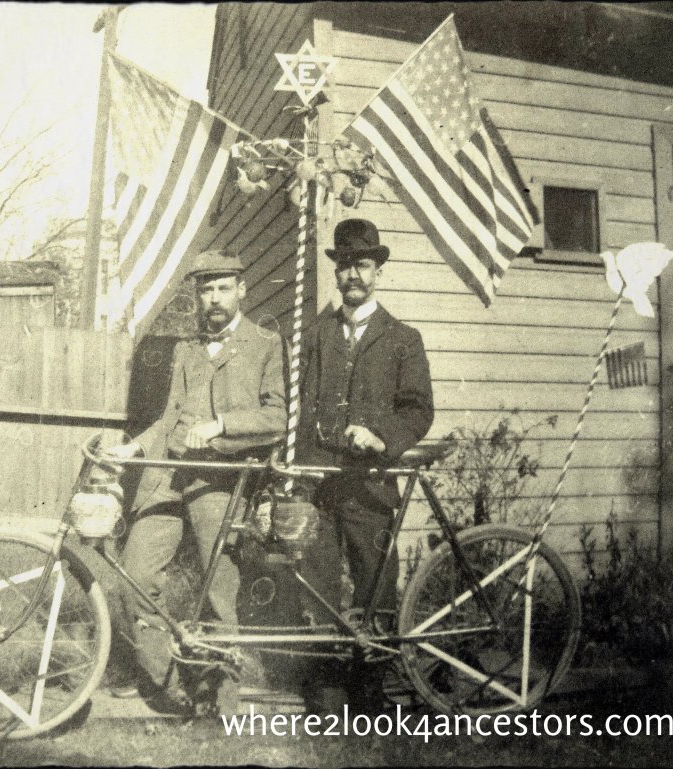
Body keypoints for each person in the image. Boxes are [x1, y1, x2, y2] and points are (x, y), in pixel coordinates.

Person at [105, 249, 287, 712]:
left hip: (222, 481)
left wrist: (221, 424)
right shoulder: (185, 350)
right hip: (170, 475)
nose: (214, 298)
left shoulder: (266, 343)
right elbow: (169, 420)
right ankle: (171, 690)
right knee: (136, 575)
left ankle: (223, 703)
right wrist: (132, 448)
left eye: (223, 287)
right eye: (206, 289)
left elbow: (276, 417)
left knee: (217, 593)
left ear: (242, 290)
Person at [296, 218, 434, 714]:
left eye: (363, 265)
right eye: (345, 265)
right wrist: (298, 471)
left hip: (371, 485)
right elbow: (299, 405)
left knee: (376, 583)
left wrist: (381, 437)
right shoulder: (314, 334)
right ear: (335, 272)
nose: (353, 274)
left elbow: (417, 410)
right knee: (320, 585)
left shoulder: (402, 339)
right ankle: (330, 692)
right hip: (321, 483)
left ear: (377, 271)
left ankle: (372, 689)